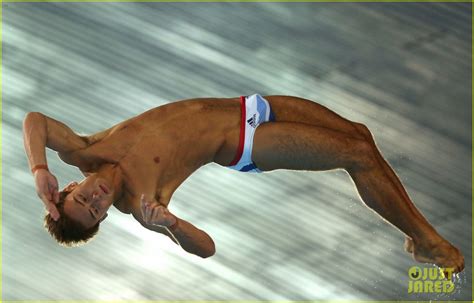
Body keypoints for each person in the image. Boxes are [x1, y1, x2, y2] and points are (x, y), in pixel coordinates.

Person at [23, 94, 464, 274]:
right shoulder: (141, 204)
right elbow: (206, 248)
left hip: (248, 105)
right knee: (357, 155)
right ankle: (426, 241)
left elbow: (36, 121)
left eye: (84, 198)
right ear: (103, 217)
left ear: (66, 189)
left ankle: (418, 236)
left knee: (361, 135)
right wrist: (171, 225)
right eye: (96, 211)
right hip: (248, 144)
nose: (97, 199)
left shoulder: (83, 150)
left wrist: (38, 168)